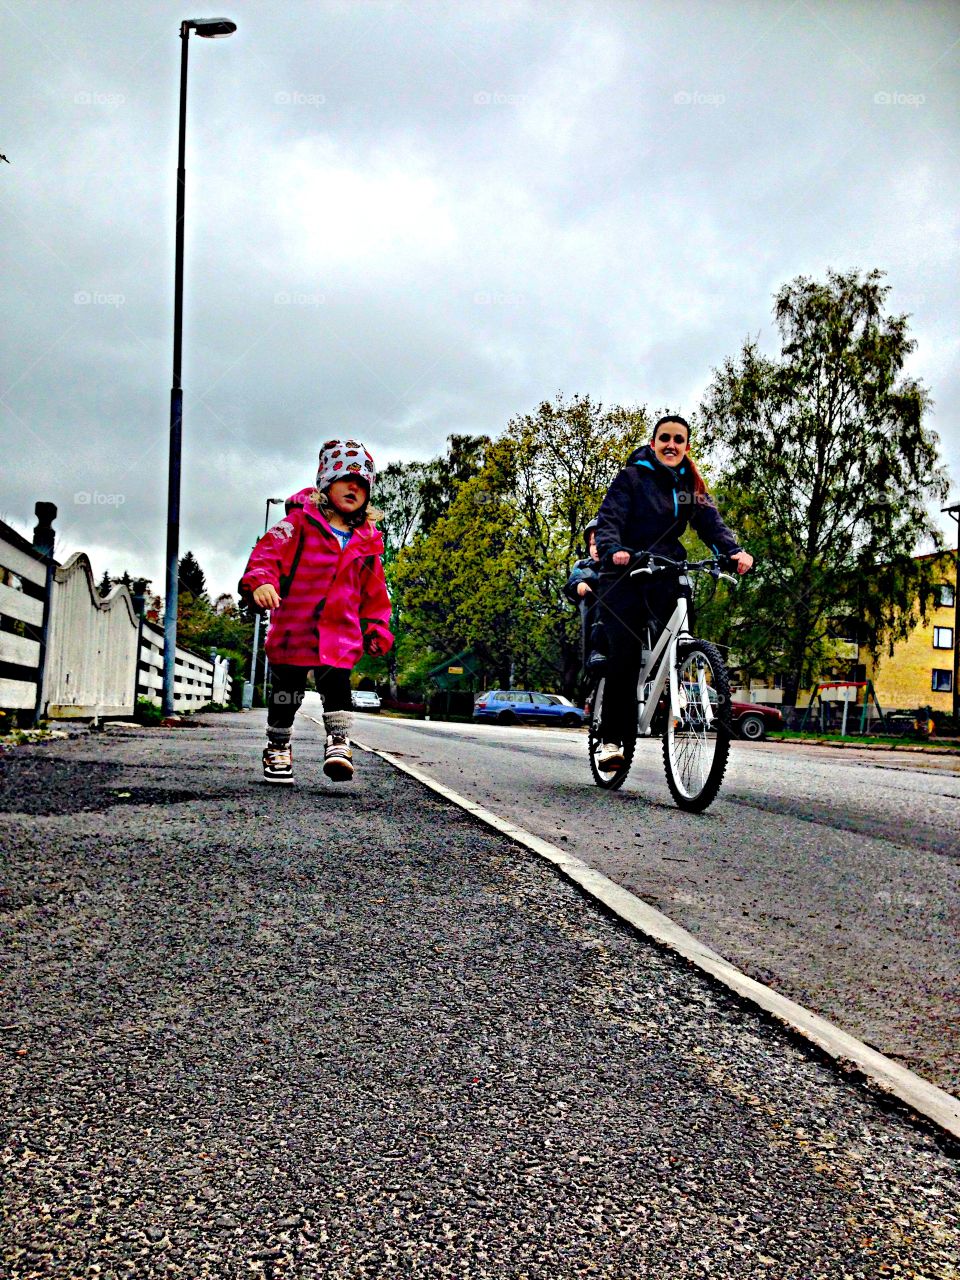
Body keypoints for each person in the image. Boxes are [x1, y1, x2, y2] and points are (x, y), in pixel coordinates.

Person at [593, 415, 753, 770]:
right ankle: (611, 739)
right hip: (623, 571)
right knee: (627, 653)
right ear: (653, 444)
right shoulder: (631, 478)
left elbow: (710, 522)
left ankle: (676, 683)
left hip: (665, 567)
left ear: (686, 447)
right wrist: (612, 548)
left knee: (684, 633)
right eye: (664, 438)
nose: (671, 444)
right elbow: (610, 519)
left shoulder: (688, 485)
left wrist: (733, 551)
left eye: (678, 440)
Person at [240, 439, 394, 784]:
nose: (354, 487)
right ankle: (278, 744)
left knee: (337, 686)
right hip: (295, 628)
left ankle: (339, 743)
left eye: (362, 484)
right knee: (288, 693)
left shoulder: (366, 543)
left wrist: (376, 627)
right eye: (345, 480)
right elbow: (266, 556)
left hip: (339, 632)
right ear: (326, 484)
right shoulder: (298, 525)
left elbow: (374, 593)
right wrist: (261, 582)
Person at [562, 517, 608, 672]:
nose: (596, 549)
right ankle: (597, 649)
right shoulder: (583, 566)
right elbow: (574, 581)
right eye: (592, 544)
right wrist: (579, 585)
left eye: (600, 544)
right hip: (596, 617)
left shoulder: (619, 566)